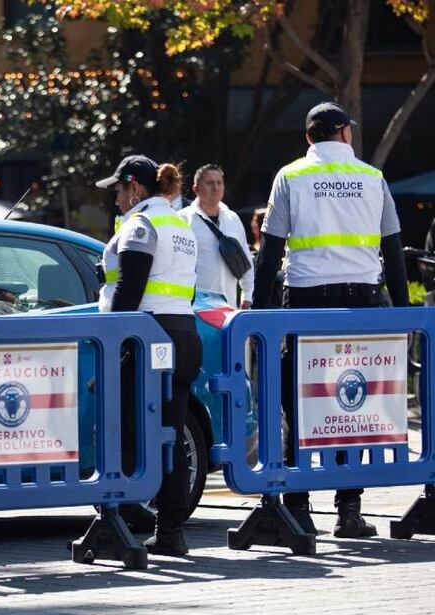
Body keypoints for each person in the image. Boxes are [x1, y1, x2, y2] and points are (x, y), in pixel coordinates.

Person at [252, 101, 410, 538]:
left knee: (301, 400)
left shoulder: (292, 176)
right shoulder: (371, 178)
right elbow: (394, 251)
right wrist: (405, 311)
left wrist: (258, 315)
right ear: (344, 134)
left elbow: (269, 252)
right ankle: (349, 512)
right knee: (351, 402)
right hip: (363, 303)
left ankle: (298, 509)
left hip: (307, 301)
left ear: (309, 138)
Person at [96, 155, 201, 556]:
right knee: (168, 437)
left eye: (118, 192)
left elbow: (128, 292)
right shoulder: (179, 223)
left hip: (145, 338)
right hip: (182, 335)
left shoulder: (141, 224)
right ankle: (171, 532)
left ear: (135, 187)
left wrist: (111, 344)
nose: (116, 201)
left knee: (124, 431)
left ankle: (117, 524)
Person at [181, 164, 254, 308]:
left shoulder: (233, 218)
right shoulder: (183, 219)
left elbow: (247, 261)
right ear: (195, 189)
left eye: (219, 182)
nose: (216, 187)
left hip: (229, 307)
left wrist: (247, 294)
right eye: (209, 183)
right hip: (195, 308)